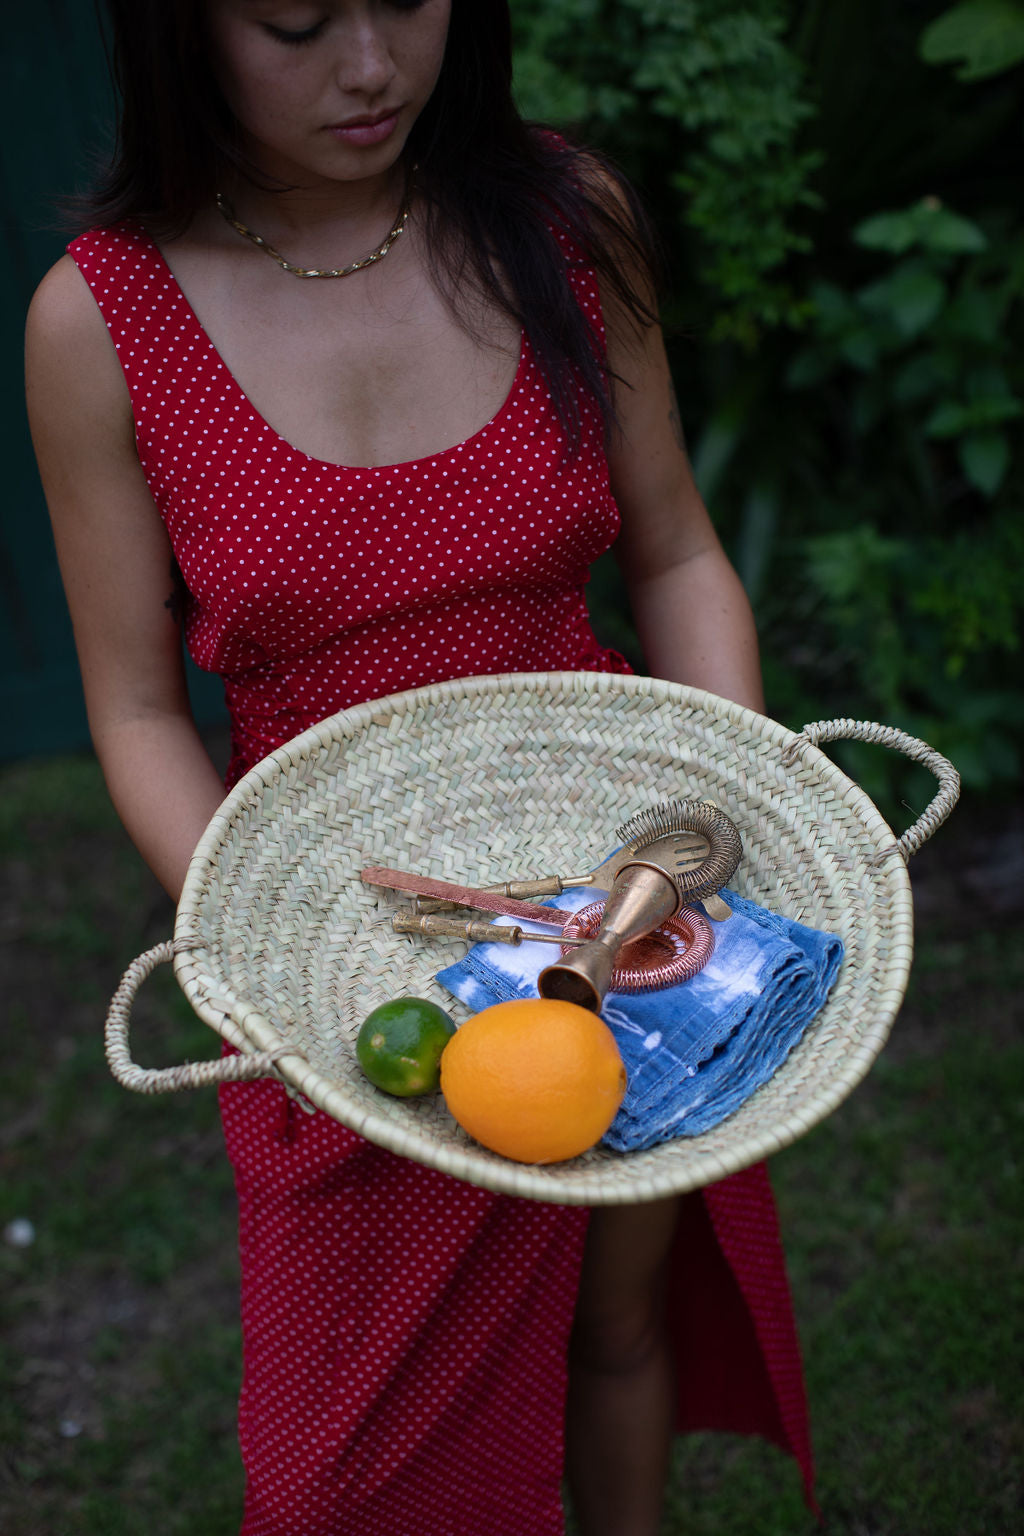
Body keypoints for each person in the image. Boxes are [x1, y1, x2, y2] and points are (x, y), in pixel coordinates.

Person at [26, 2, 815, 1532]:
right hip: (338, 944)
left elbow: (676, 552)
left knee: (619, 1318)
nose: (373, 64)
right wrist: (276, 960)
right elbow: (132, 711)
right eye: (297, 21)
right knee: (339, 1467)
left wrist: (728, 830)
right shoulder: (102, 322)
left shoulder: (562, 221)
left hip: (611, 897)